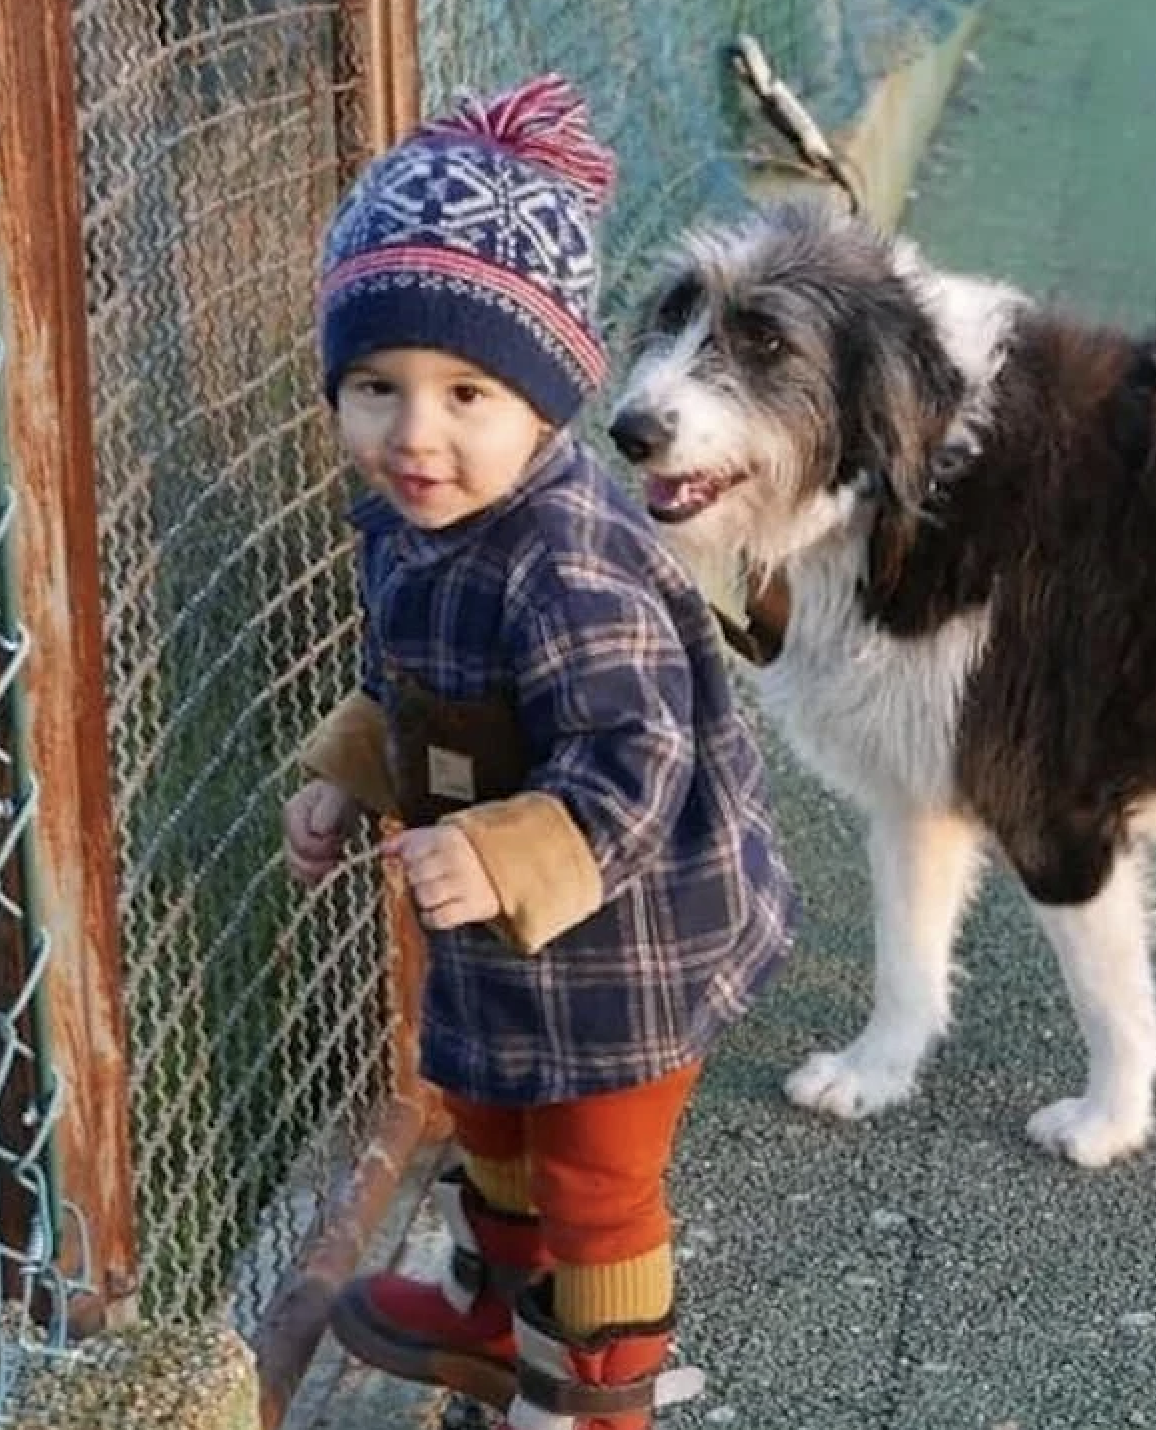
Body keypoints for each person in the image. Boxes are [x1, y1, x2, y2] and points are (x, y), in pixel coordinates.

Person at [279, 73, 796, 1429]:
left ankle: (598, 1399)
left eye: (466, 389)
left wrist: (501, 844)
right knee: (488, 1112)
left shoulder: (569, 562)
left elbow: (636, 758)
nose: (415, 433)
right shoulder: (409, 519)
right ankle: (495, 1321)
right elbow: (410, 681)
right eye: (376, 385)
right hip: (504, 926)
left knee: (595, 1177)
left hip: (631, 935)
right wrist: (353, 768)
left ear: (551, 398)